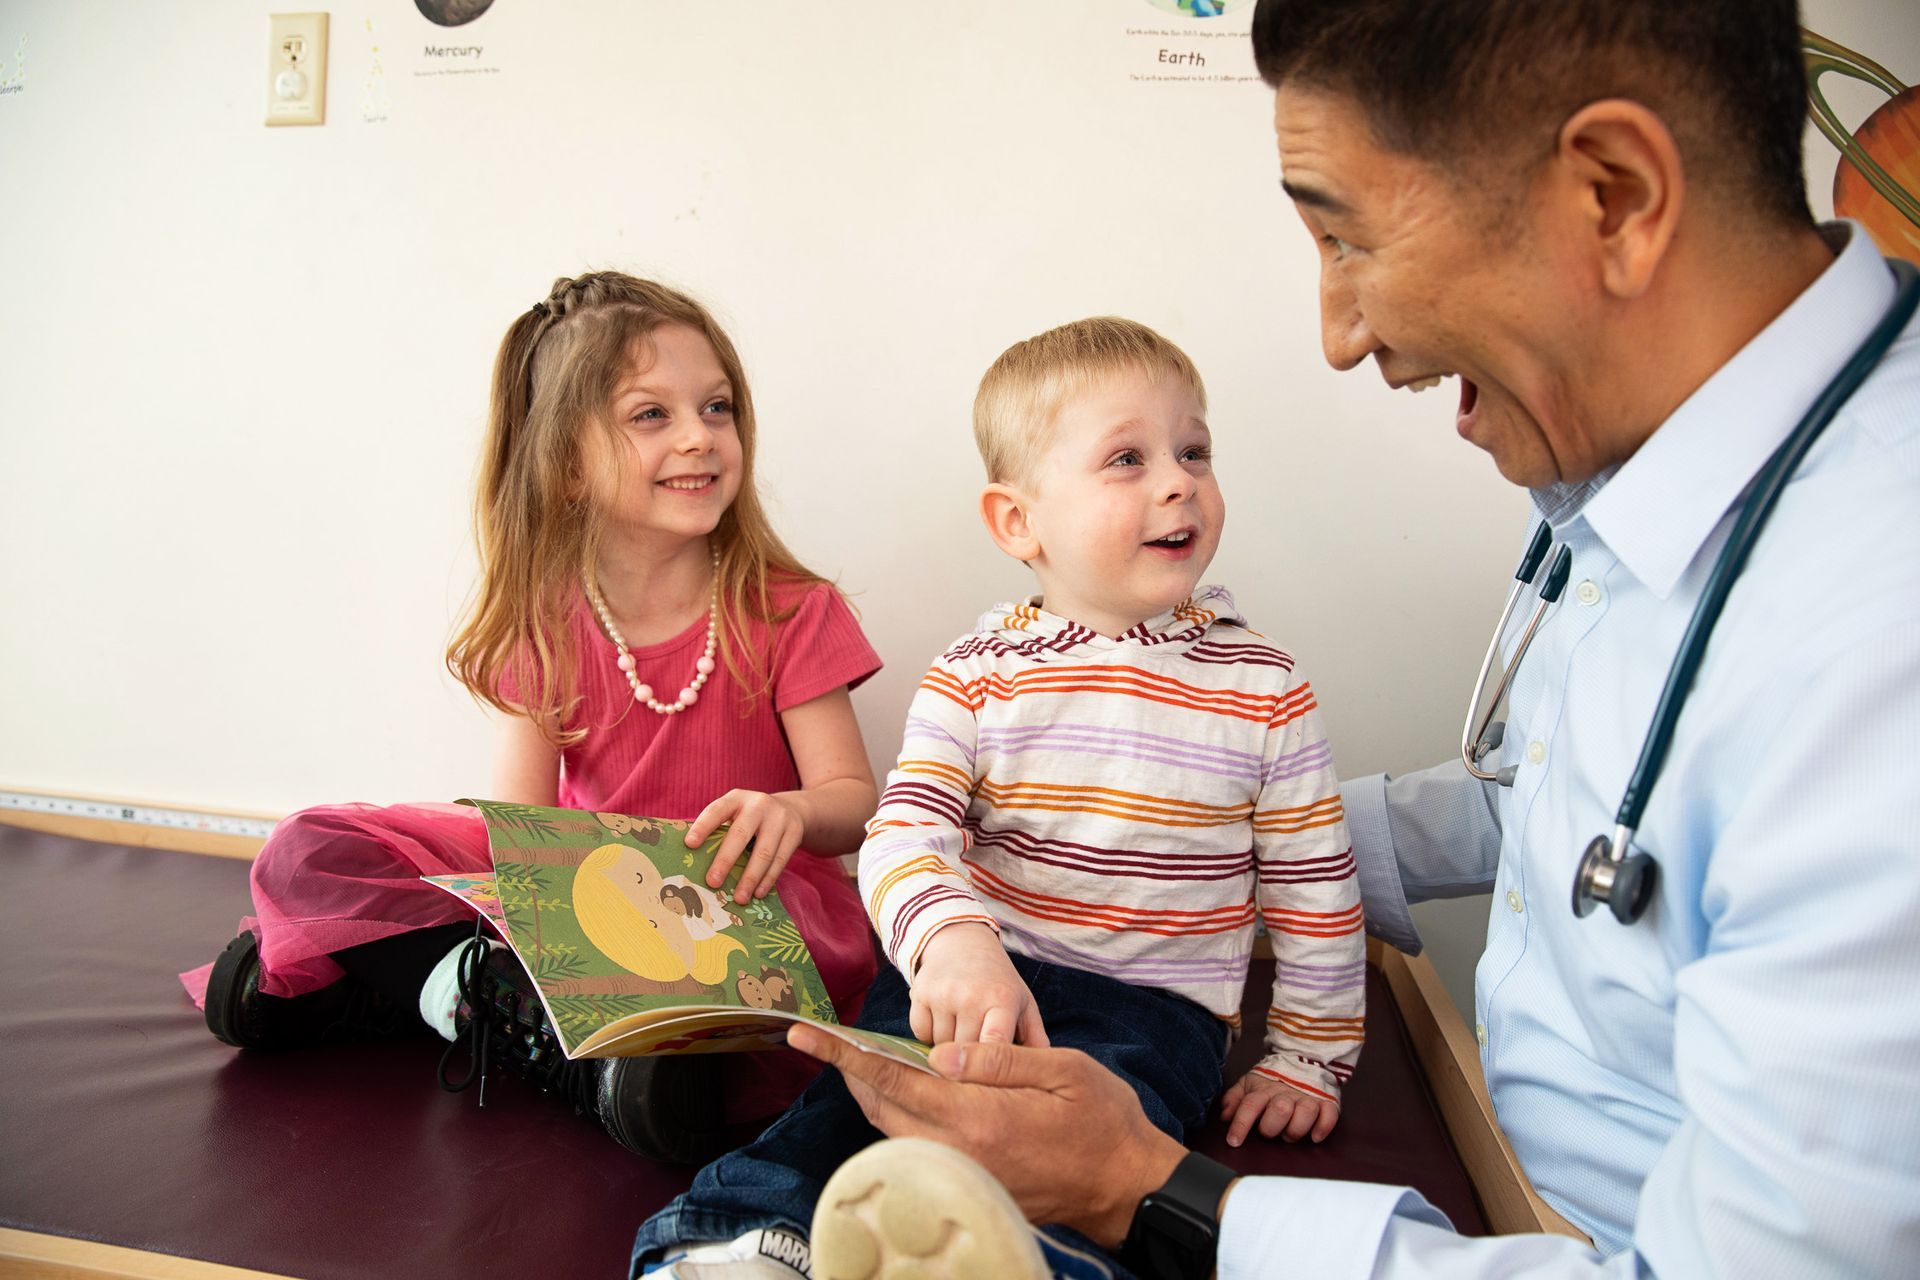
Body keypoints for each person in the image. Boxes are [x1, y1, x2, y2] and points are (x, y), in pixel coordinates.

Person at [785, 0, 1920, 1276]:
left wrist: (1167, 1195)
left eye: (1348, 235)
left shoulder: (1880, 632)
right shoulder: (1650, 487)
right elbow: (1590, 804)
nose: (1339, 334)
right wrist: (1243, 830)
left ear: (1611, 195)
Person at [631, 317, 1364, 1278]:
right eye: (1128, 459)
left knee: (1080, 1158)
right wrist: (952, 942)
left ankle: (1020, 1262)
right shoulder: (974, 676)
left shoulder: (1263, 688)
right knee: (851, 1108)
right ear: (1019, 522)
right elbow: (901, 834)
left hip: (1150, 1013)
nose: (1179, 481)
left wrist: (1309, 1055)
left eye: (1194, 451)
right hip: (967, 986)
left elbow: (1315, 886)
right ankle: (739, 1247)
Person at [182, 271, 883, 1164]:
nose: (701, 437)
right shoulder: (551, 617)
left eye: (717, 407)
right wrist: (479, 893)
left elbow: (853, 799)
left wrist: (789, 811)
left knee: (766, 997)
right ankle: (482, 1006)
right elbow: (521, 834)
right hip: (591, 892)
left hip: (732, 904)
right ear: (566, 463)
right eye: (650, 415)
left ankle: (427, 1001)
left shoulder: (791, 609)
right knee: (307, 848)